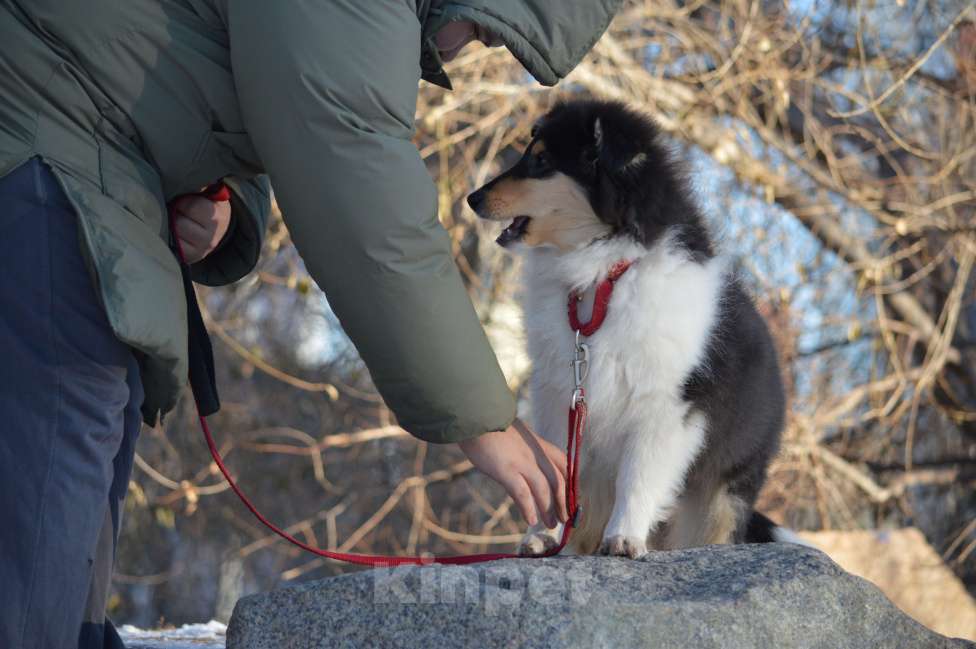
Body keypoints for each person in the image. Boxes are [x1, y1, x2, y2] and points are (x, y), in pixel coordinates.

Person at [0, 1, 623, 647]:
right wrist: (482, 416)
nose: (470, 48)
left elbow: (232, 66)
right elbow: (346, 160)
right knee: (54, 474)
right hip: (39, 154)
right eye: (486, 26)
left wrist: (222, 200)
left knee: (79, 460)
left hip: (80, 160)